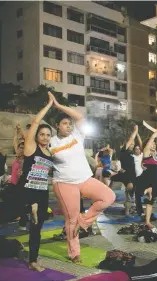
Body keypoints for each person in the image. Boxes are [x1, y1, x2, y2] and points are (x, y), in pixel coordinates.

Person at [49, 93, 116, 264]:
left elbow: (80, 117)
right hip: (64, 184)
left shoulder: (77, 136)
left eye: (69, 124)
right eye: (64, 124)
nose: (69, 126)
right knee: (70, 219)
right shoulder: (51, 143)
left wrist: (59, 105)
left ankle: (83, 221)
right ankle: (74, 253)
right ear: (56, 126)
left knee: (109, 197)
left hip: (85, 179)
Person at [19, 93, 55, 272]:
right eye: (42, 134)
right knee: (29, 222)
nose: (46, 137)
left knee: (37, 228)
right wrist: (49, 104)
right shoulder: (31, 148)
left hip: (42, 192)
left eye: (48, 135)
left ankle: (33, 259)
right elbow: (34, 122)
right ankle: (28, 208)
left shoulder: (49, 153)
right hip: (27, 191)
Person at [110, 125, 142, 216]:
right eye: (130, 144)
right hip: (126, 175)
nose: (132, 145)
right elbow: (131, 138)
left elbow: (139, 145)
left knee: (131, 194)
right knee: (129, 188)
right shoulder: (123, 151)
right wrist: (135, 131)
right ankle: (125, 196)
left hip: (132, 175)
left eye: (133, 144)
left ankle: (127, 210)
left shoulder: (132, 154)